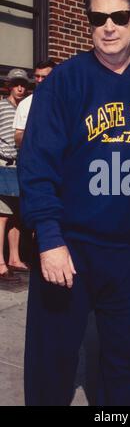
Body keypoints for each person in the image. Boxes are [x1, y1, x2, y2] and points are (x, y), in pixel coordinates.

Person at [18, 0, 130, 406]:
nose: (108, 26)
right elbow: (37, 167)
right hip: (69, 247)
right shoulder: (65, 81)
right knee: (52, 361)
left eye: (119, 16)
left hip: (128, 252)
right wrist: (50, 239)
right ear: (89, 22)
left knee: (123, 360)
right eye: (98, 17)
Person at [0, 68, 30, 283]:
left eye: (23, 84)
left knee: (17, 215)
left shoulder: (26, 107)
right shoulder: (1, 106)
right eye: (16, 84)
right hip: (3, 163)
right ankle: (0, 263)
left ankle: (15, 258)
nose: (20, 88)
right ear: (9, 85)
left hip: (20, 166)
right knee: (2, 215)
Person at [13, 60, 56, 148]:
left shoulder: (65, 101)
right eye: (37, 76)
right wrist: (34, 129)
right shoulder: (25, 104)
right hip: (34, 157)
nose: (39, 80)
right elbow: (17, 140)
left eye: (44, 77)